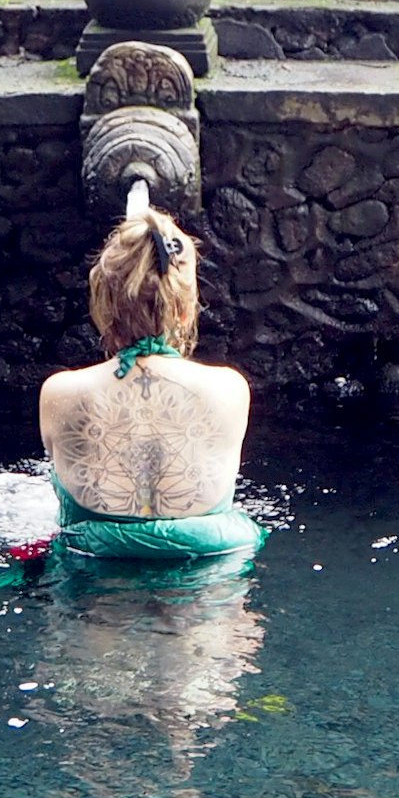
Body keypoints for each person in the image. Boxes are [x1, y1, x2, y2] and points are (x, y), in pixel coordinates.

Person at [38, 210, 261, 563]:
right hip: (206, 595)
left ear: (104, 306)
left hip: (92, 596)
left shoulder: (60, 393)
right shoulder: (230, 389)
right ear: (187, 308)